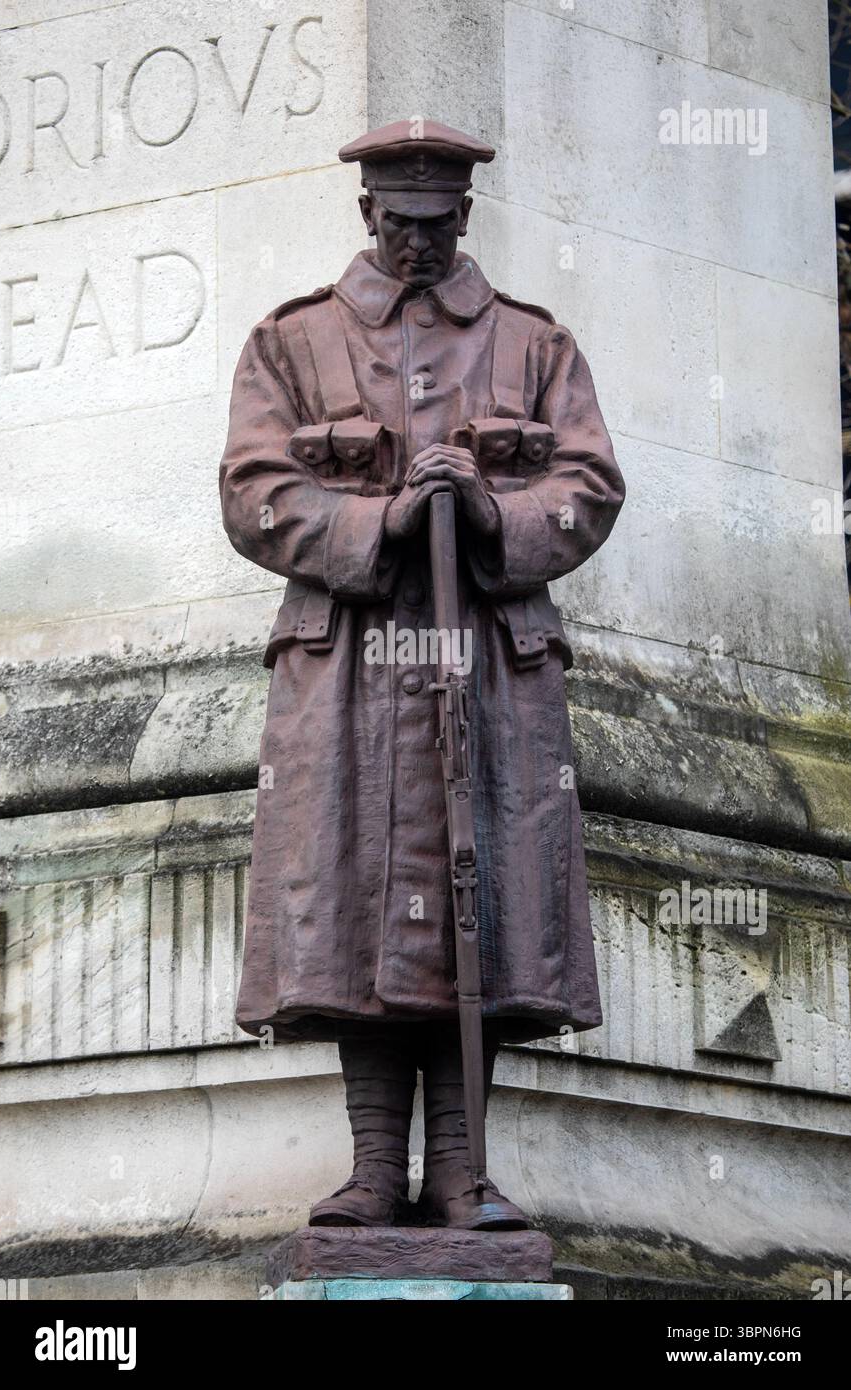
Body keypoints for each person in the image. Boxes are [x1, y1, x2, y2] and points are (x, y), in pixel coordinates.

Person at [219, 118, 625, 1229]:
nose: (416, 246)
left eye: (436, 225)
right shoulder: (291, 343)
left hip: (489, 667)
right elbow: (254, 492)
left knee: (483, 904)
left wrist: (490, 512)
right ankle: (366, 1166)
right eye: (398, 225)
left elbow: (588, 486)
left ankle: (461, 1170)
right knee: (351, 912)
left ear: (463, 217)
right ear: (366, 216)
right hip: (346, 673)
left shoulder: (535, 345)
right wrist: (383, 517)